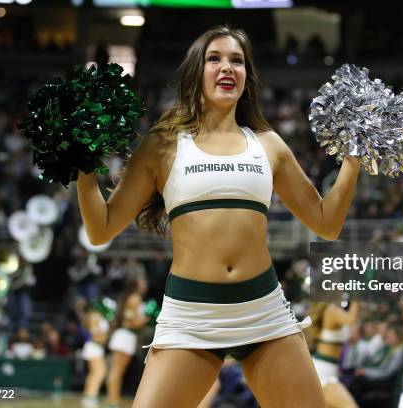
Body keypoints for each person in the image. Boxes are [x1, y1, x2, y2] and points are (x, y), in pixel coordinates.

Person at [77, 25, 361, 407]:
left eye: (237, 61)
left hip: (263, 311)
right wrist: (80, 165)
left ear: (247, 76)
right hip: (192, 315)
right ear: (197, 71)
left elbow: (327, 223)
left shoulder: (269, 145)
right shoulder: (161, 146)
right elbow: (101, 229)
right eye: (215, 59)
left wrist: (353, 160)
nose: (227, 67)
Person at [105, 275, 149, 408]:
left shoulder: (130, 298)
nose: (145, 284)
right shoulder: (135, 298)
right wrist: (147, 319)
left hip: (124, 336)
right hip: (125, 336)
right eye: (143, 282)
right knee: (117, 370)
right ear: (137, 285)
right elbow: (133, 322)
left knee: (116, 370)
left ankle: (112, 400)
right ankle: (113, 401)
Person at [308, 302, 360, 408]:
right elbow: (351, 319)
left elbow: (354, 336)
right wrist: (357, 296)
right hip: (324, 371)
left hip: (330, 369)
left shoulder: (336, 311)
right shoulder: (332, 309)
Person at [81, 306, 110, 408]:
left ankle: (87, 394)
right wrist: (104, 337)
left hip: (95, 347)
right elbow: (96, 335)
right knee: (100, 372)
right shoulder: (94, 316)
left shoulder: (96, 316)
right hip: (94, 346)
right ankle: (92, 395)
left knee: (94, 372)